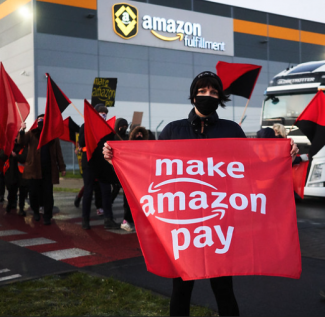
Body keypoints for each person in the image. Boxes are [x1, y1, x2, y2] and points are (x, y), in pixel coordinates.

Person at [103, 71, 299, 316]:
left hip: (220, 224)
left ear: (220, 98)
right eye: (203, 91)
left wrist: (285, 156)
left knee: (224, 289)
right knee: (181, 289)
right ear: (193, 95)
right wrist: (117, 160)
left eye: (214, 92)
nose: (208, 96)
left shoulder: (232, 130)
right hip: (183, 225)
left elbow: (253, 171)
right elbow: (151, 174)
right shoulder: (173, 132)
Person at [18, 114, 66, 225]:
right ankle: (35, 211)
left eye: (43, 120)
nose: (41, 122)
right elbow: (21, 141)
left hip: (48, 170)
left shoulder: (53, 136)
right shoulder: (31, 133)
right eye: (40, 120)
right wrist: (22, 130)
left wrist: (62, 167)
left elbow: (59, 153)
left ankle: (47, 216)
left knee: (48, 194)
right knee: (34, 193)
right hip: (34, 170)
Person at [78, 104, 119, 230]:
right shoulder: (85, 126)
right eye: (101, 113)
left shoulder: (107, 128)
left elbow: (112, 143)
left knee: (106, 191)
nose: (104, 115)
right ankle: (85, 220)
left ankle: (108, 219)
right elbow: (82, 143)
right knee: (89, 191)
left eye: (105, 113)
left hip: (103, 163)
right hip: (89, 163)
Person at [0, 139, 28, 216]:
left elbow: (24, 157)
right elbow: (2, 156)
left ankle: (21, 209)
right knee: (12, 190)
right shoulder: (9, 146)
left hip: (22, 174)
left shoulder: (24, 147)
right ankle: (10, 205)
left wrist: (16, 156)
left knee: (22, 191)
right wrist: (8, 150)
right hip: (12, 174)